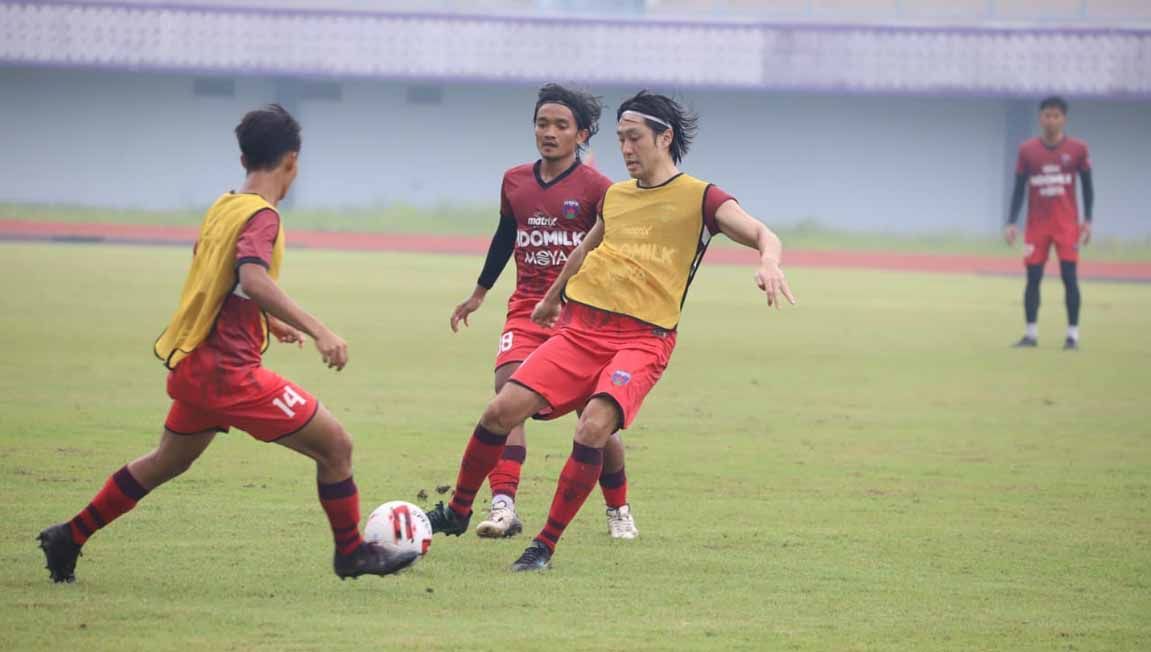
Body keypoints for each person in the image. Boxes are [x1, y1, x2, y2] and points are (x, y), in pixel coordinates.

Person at [37, 105, 417, 583]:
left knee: (164, 462)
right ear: (293, 162)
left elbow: (221, 281)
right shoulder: (263, 217)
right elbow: (253, 280)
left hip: (196, 364)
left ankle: (68, 536)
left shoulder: (224, 206)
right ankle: (351, 553)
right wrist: (320, 329)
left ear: (242, 159)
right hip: (229, 373)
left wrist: (267, 323)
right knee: (336, 447)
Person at [428, 90, 796, 571]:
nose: (625, 148)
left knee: (595, 425)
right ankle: (457, 510)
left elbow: (763, 233)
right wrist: (553, 296)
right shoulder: (617, 197)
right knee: (501, 410)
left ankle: (544, 545)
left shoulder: (701, 198)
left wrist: (769, 262)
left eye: (634, 138)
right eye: (620, 138)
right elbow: (585, 249)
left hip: (644, 339)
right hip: (580, 330)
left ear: (664, 138)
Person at [449, 84, 639, 540]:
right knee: (504, 400)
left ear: (582, 134)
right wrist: (478, 293)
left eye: (560, 125)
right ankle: (503, 506)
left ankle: (618, 508)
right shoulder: (515, 180)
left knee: (595, 420)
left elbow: (615, 251)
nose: (549, 133)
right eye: (542, 123)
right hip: (527, 313)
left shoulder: (600, 190)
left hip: (582, 319)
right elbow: (503, 238)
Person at [1004, 96, 1094, 350]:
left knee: (1069, 278)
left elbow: (1087, 186)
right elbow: (1019, 188)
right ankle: (1031, 334)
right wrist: (1011, 221)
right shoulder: (1027, 150)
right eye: (1047, 115)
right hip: (1037, 226)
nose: (1051, 120)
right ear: (1040, 118)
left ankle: (1072, 336)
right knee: (1033, 278)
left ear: (1064, 118)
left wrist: (1088, 219)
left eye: (1056, 116)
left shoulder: (1078, 149)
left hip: (1066, 225)